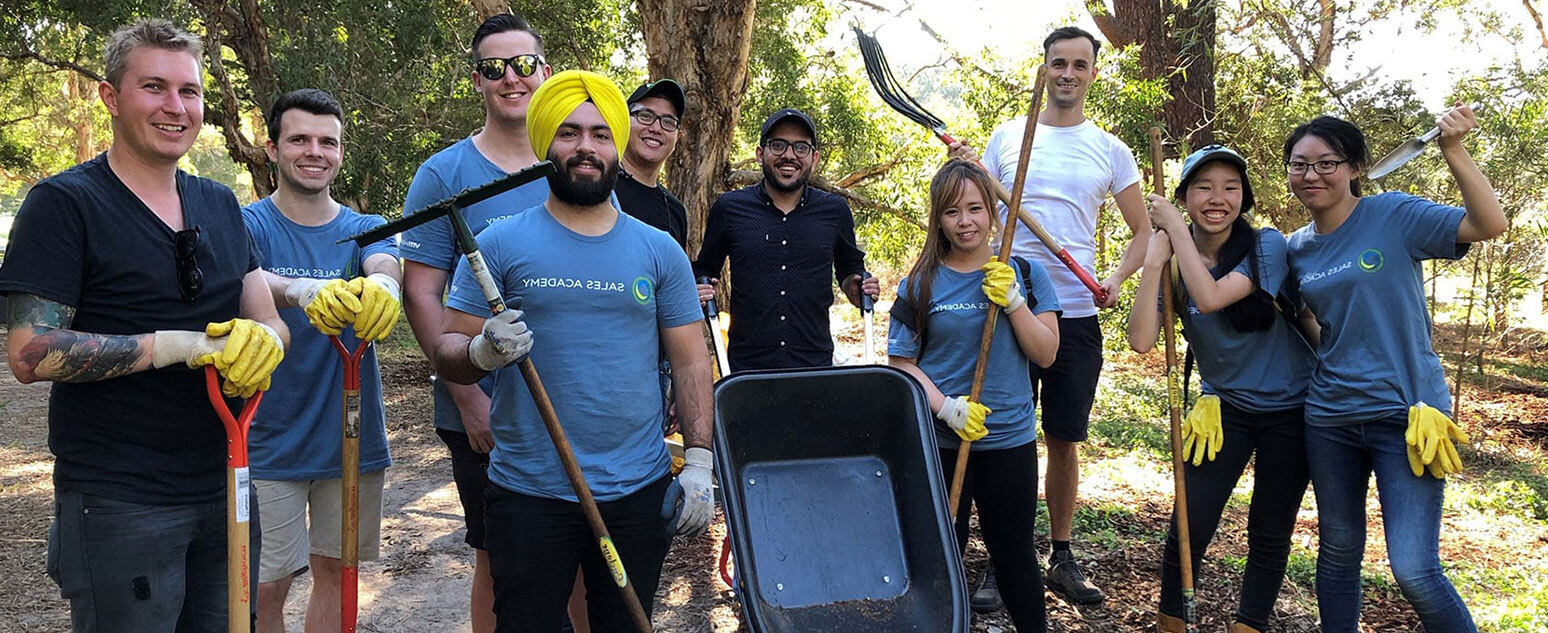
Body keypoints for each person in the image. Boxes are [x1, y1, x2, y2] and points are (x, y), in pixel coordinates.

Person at [0, 18, 288, 631]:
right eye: (154, 87)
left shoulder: (219, 202)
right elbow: (29, 352)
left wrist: (265, 342)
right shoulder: (64, 204)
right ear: (110, 96)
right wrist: (172, 346)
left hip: (228, 480)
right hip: (119, 500)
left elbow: (264, 314)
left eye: (189, 91)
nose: (175, 107)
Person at [432, 70, 715, 632]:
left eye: (599, 133)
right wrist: (483, 354)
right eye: (567, 133)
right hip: (527, 491)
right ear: (545, 146)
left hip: (637, 492)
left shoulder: (658, 250)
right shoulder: (501, 242)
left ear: (616, 145)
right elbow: (446, 347)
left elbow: (689, 359)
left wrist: (700, 460)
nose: (585, 146)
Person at [947, 25, 1148, 608]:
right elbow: (975, 203)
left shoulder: (1110, 150)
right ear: (1043, 69)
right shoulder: (1010, 137)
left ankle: (1060, 553)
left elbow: (1142, 231)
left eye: (1078, 65)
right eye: (1057, 63)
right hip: (1007, 307)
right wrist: (967, 167)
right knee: (1004, 436)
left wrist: (1115, 278)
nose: (1067, 73)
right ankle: (1002, 558)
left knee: (1062, 437)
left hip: (1076, 310)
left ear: (1092, 73)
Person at [1282, 110, 1503, 633]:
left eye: (1327, 163)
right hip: (1330, 417)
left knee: (1415, 569)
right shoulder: (1296, 248)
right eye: (1299, 165)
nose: (1311, 176)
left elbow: (1488, 224)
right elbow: (1307, 318)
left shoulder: (1392, 214)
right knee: (1337, 552)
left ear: (1355, 167)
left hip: (1408, 416)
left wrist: (1453, 149)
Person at [398, 13, 553, 632]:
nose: (510, 78)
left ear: (544, 72)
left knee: (571, 559)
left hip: (565, 402)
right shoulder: (444, 175)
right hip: (487, 405)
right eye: (494, 68)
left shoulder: (573, 161)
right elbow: (421, 293)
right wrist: (466, 395)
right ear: (477, 81)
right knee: (499, 559)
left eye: (523, 64)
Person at [1127, 145, 1317, 633]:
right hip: (1223, 409)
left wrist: (1172, 228)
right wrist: (1152, 263)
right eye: (1204, 187)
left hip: (1291, 410)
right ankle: (1172, 624)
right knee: (1189, 526)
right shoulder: (1172, 260)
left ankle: (1247, 626)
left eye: (1231, 188)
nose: (1218, 199)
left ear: (1244, 197)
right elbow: (1141, 341)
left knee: (1269, 533)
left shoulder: (1267, 247)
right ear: (1186, 195)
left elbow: (1210, 297)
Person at [242, 88, 402, 633]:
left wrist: (383, 282)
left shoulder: (363, 229)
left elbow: (385, 260)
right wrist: (300, 290)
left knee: (339, 573)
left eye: (327, 142)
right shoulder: (248, 226)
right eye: (299, 139)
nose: (315, 151)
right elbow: (238, 276)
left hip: (351, 438)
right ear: (272, 148)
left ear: (340, 151)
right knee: (263, 585)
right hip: (267, 437)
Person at [888, 160, 1062, 633]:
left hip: (1009, 440)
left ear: (992, 212)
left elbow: (1046, 354)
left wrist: (1016, 303)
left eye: (975, 208)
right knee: (941, 551)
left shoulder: (1025, 273)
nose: (965, 221)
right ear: (937, 219)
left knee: (1014, 555)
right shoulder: (919, 283)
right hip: (941, 444)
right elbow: (901, 363)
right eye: (951, 212)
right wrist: (946, 407)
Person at [692, 107, 880, 372]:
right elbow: (704, 270)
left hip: (814, 367)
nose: (789, 155)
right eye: (778, 145)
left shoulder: (835, 211)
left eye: (800, 147)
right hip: (747, 370)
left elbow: (850, 271)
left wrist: (856, 288)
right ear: (760, 153)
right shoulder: (729, 208)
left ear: (813, 158)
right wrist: (699, 287)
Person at [615, 78, 689, 249]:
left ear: (678, 136)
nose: (656, 128)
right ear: (624, 121)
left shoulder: (675, 210)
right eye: (646, 116)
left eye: (668, 122)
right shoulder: (598, 186)